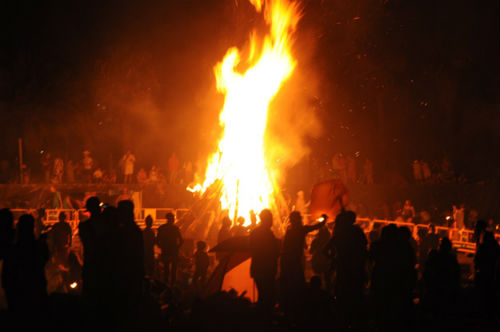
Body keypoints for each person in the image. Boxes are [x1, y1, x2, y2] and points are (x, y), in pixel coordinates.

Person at [324, 211, 367, 327]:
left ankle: (342, 321)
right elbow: (364, 250)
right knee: (354, 296)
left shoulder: (340, 233)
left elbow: (325, 250)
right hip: (355, 269)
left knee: (342, 295)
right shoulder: (357, 232)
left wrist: (334, 259)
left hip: (343, 268)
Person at [2, 214, 49, 317]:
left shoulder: (13, 250)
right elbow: (44, 259)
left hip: (19, 292)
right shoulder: (34, 247)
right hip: (32, 290)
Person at [280, 211, 326, 317]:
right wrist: (324, 220)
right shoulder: (300, 229)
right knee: (297, 282)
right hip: (294, 260)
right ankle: (297, 307)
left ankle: (287, 307)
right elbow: (316, 226)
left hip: (287, 260)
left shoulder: (290, 231)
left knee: (288, 283)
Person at [249, 209, 280, 313]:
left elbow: (252, 249)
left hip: (258, 269)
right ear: (266, 219)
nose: (272, 221)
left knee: (263, 296)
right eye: (270, 218)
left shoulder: (255, 232)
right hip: (266, 270)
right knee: (268, 297)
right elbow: (272, 252)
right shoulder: (267, 234)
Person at [156, 212, 183, 285]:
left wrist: (162, 247)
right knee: (173, 270)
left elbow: (157, 240)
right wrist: (177, 248)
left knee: (166, 269)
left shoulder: (162, 228)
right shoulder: (175, 228)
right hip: (173, 252)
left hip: (166, 251)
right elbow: (181, 240)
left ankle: (166, 284)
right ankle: (172, 284)